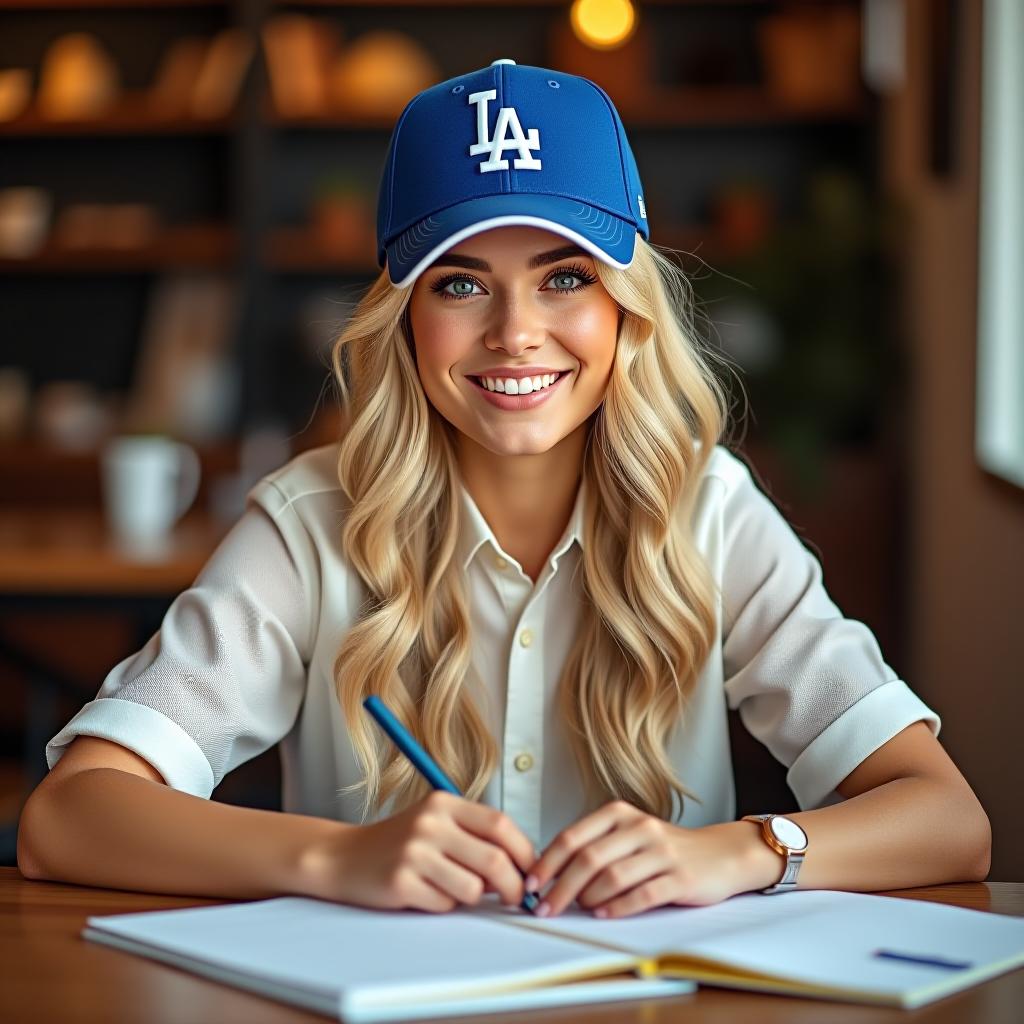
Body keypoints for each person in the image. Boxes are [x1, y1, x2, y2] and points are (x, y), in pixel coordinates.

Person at [18, 60, 990, 919]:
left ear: (626, 307)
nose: (516, 332)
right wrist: (335, 856)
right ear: (402, 318)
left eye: (564, 277)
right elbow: (67, 817)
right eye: (460, 283)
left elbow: (946, 818)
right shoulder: (311, 522)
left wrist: (734, 854)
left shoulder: (711, 511)